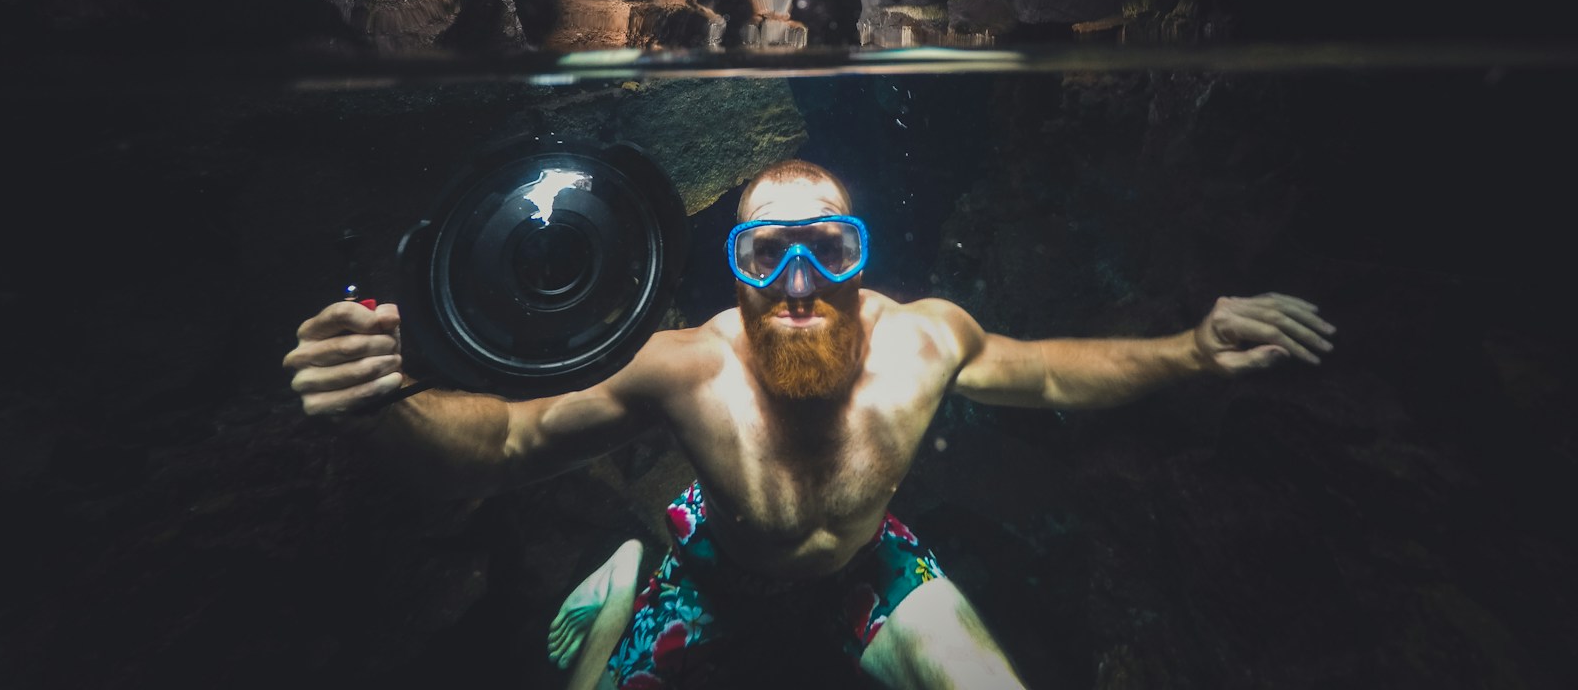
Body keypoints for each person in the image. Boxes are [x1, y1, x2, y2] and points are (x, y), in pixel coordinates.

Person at [284, 159, 1335, 689]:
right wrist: (382, 402)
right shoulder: (686, 367)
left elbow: (1050, 372)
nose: (797, 283)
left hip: (865, 564)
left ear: (859, 256)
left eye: (826, 249)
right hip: (713, 573)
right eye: (765, 254)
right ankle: (635, 560)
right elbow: (508, 444)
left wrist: (1192, 350)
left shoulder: (925, 341)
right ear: (734, 269)